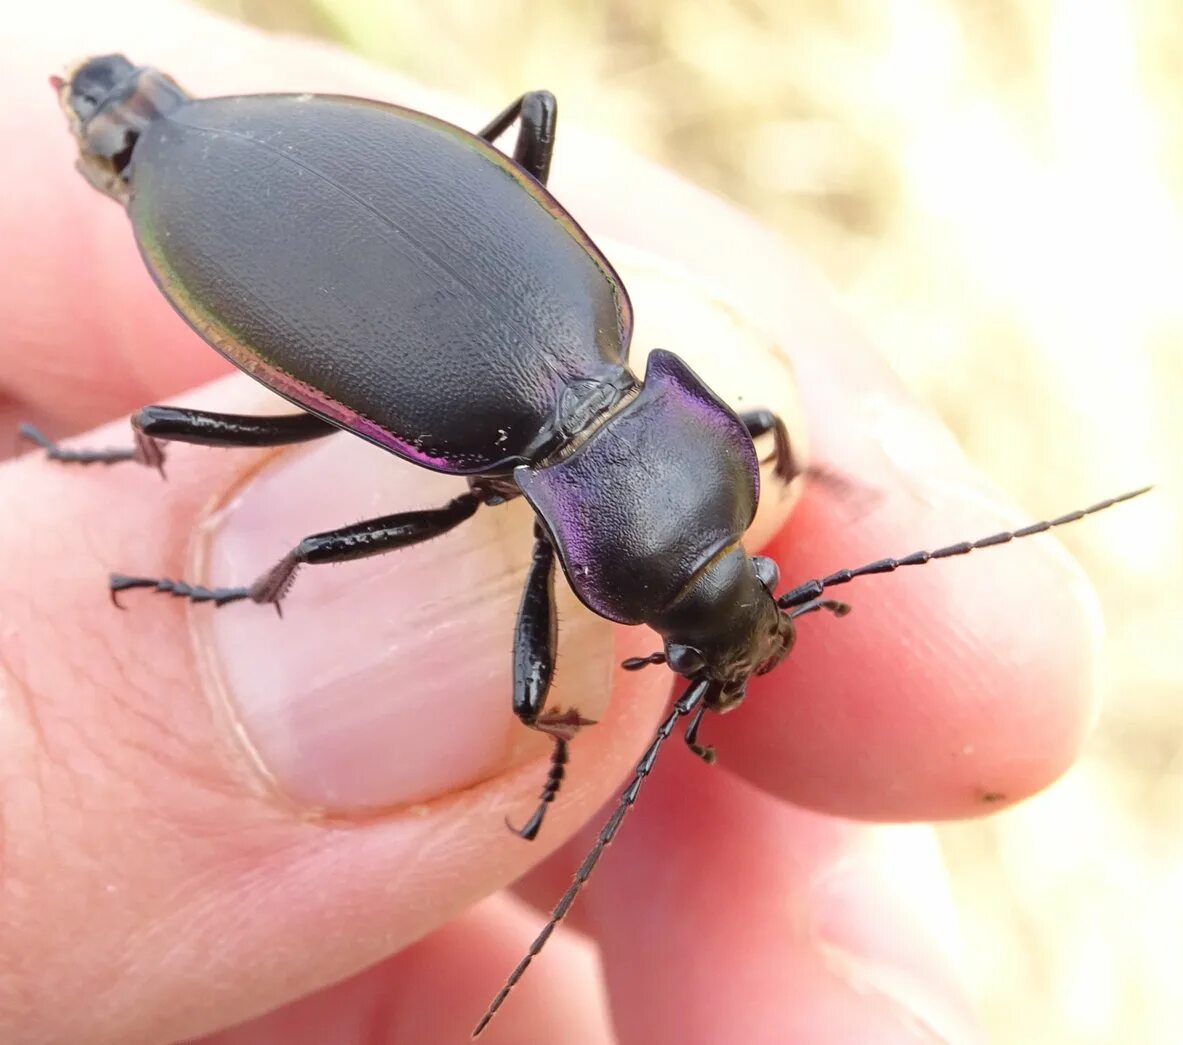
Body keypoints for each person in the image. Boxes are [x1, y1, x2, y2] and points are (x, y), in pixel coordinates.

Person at [0, 3, 1103, 1041]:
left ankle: (147, 457)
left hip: (257, 175)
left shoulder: (605, 325)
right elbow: (540, 667)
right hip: (234, 200)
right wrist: (259, 592)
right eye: (753, 593)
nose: (743, 621)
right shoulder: (542, 402)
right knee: (240, 487)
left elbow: (759, 422)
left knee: (533, 123)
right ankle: (217, 561)